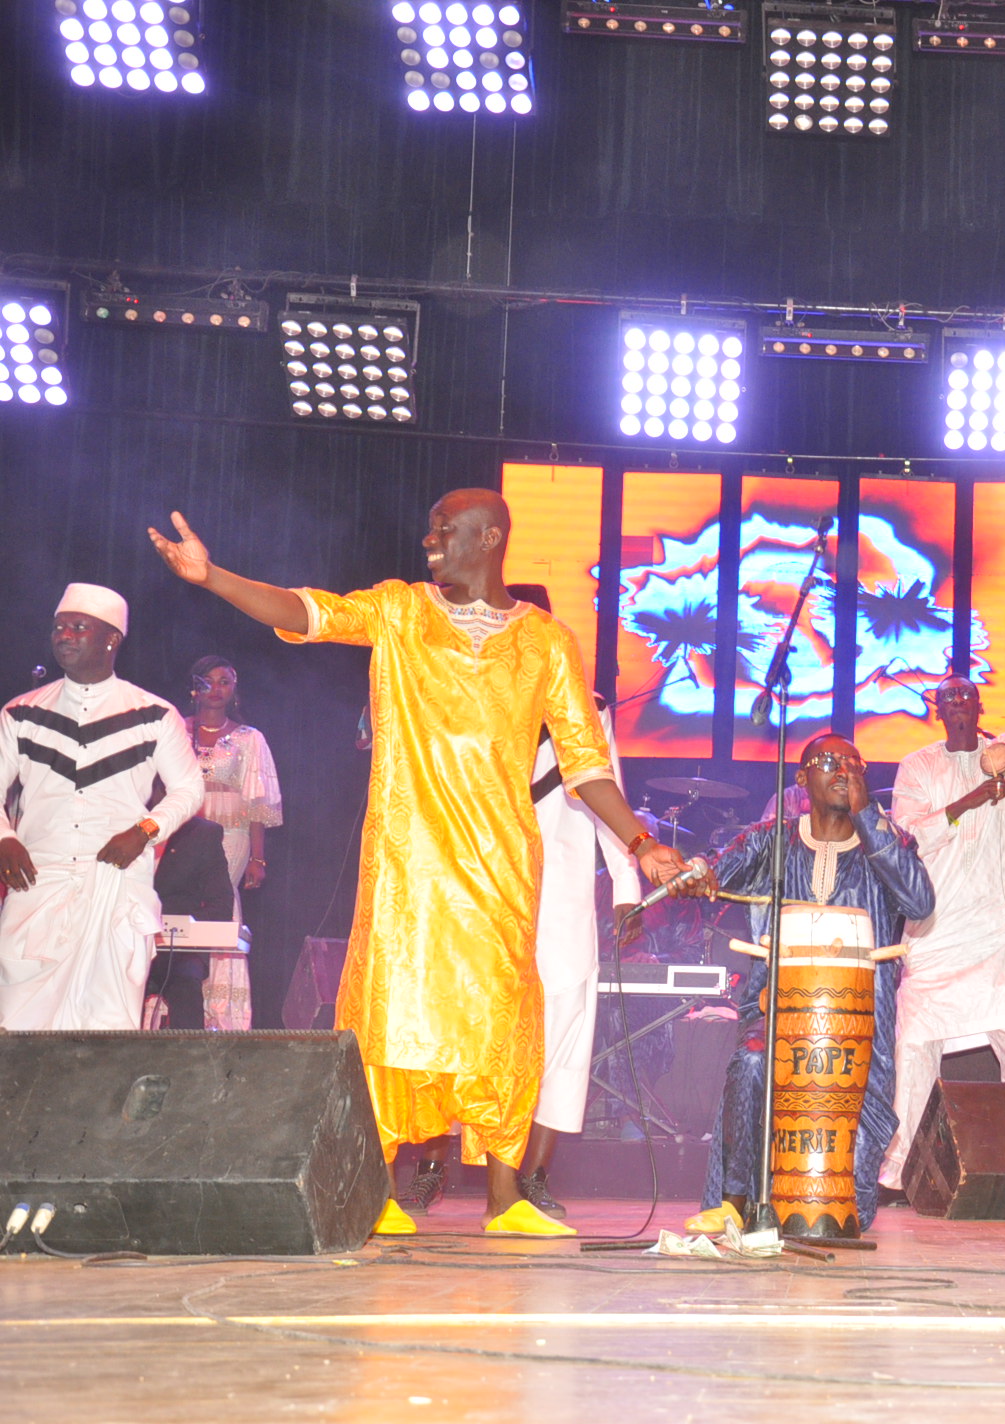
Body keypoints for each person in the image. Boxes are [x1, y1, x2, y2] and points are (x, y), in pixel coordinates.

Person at [148, 494, 692, 1239]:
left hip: (501, 862)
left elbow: (586, 764)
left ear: (491, 537)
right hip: (410, 862)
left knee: (503, 1013)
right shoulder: (401, 612)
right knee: (393, 1012)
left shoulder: (545, 643)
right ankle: (378, 1189)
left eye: (445, 529)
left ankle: (506, 1201)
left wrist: (639, 842)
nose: (429, 538)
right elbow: (310, 613)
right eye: (431, 526)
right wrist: (213, 578)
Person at [696, 734, 933, 1232]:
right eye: (828, 762)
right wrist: (690, 871)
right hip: (778, 1010)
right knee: (755, 1061)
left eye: (853, 763)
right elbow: (714, 878)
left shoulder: (890, 843)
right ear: (802, 779)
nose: (842, 770)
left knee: (848, 1215)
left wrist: (871, 821)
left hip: (860, 1027)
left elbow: (919, 903)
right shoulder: (772, 840)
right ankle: (734, 1203)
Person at [878, 676, 1005, 1192]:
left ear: (980, 706)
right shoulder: (918, 765)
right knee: (915, 1044)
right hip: (937, 926)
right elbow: (907, 835)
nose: (960, 706)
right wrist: (968, 802)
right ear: (938, 710)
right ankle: (898, 1172)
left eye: (969, 698)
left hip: (998, 925)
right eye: (951, 699)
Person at [0, 585, 204, 1031]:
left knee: (107, 1025)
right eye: (58, 627)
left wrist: (146, 829)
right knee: (20, 1024)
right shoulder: (23, 713)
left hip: (116, 880)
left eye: (78, 627)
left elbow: (190, 789)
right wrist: (5, 837)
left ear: (112, 639)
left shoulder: (153, 713)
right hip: (40, 878)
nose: (64, 636)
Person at [514, 584, 641, 1219]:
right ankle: (433, 1163)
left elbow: (604, 789)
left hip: (560, 886)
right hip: (482, 888)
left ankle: (534, 1173)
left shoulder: (583, 709)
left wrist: (626, 888)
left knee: (564, 1022)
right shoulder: (465, 696)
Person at [183, 654, 281, 1030]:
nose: (216, 688)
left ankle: (222, 1013)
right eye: (208, 680)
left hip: (230, 835)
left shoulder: (248, 738)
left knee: (219, 906)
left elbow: (257, 801)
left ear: (235, 688)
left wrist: (260, 858)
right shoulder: (176, 728)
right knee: (178, 907)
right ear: (195, 686)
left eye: (225, 681)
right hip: (181, 832)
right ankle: (178, 1002)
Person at [143, 816, 232, 1031]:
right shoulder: (121, 822)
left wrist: (180, 926)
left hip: (178, 951)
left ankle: (190, 1059)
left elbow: (221, 905)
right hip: (125, 943)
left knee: (186, 986)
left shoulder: (201, 833)